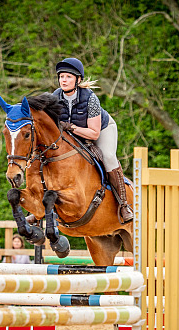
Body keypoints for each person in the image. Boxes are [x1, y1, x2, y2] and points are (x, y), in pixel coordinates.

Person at [52, 57, 133, 223]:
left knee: (109, 156)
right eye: (61, 77)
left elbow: (94, 134)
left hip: (101, 130)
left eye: (68, 76)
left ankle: (123, 205)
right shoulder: (54, 97)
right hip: (74, 136)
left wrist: (71, 128)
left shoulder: (90, 98)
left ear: (78, 79)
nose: (64, 80)